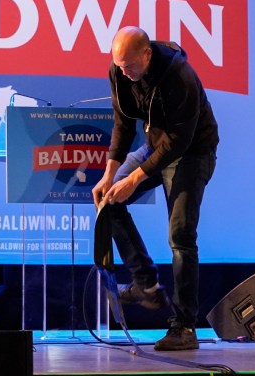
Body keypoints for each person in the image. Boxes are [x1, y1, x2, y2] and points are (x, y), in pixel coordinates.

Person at [92, 26, 219, 351]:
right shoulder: (120, 70)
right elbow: (123, 123)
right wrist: (111, 174)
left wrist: (132, 180)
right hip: (154, 145)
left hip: (191, 152)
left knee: (181, 237)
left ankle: (184, 328)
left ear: (146, 55)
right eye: (119, 66)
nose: (124, 72)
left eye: (130, 66)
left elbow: (178, 142)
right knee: (109, 200)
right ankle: (145, 284)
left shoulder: (180, 76)